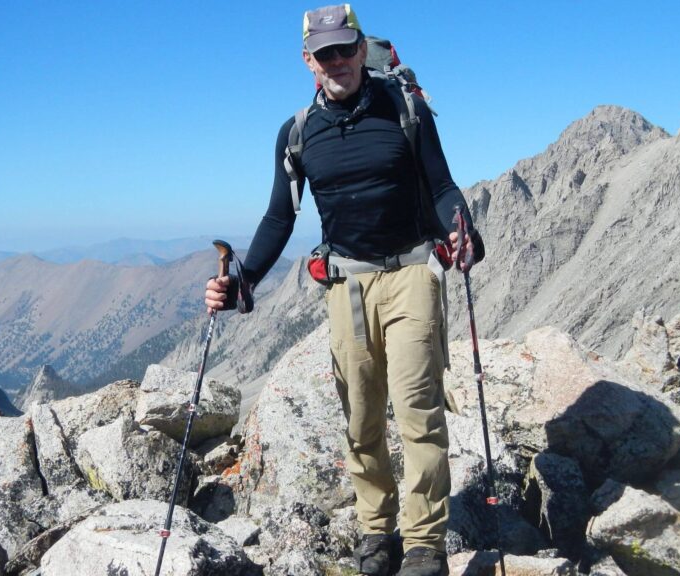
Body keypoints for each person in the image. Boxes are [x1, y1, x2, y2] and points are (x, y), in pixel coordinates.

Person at [205, 5, 484, 575]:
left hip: (412, 276)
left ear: (361, 50)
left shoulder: (406, 108)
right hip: (346, 286)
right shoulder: (299, 133)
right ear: (309, 61)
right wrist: (242, 282)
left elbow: (442, 186)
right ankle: (377, 533)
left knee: (417, 411)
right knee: (360, 418)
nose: (338, 62)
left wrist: (463, 229)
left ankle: (426, 544)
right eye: (324, 53)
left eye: (345, 49)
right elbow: (279, 219)